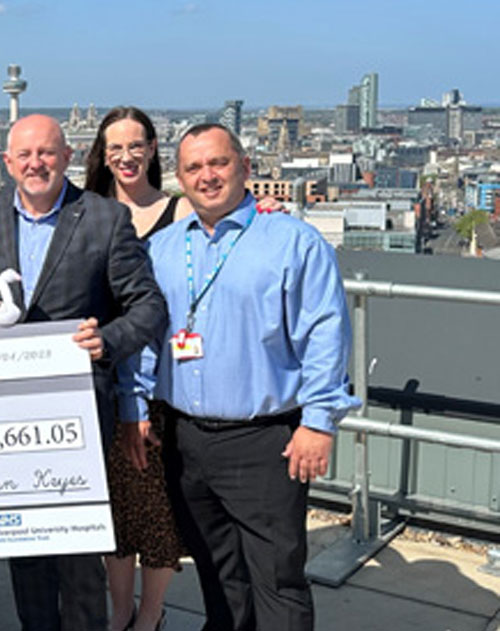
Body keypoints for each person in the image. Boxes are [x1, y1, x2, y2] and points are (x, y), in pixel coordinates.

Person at [121, 123, 359, 631]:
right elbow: (145, 339)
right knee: (216, 570)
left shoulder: (293, 241)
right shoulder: (162, 249)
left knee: (277, 578)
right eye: (193, 168)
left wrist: (318, 422)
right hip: (184, 437)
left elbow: (325, 334)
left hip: (266, 440)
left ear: (245, 168)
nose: (207, 176)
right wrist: (135, 407)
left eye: (218, 163)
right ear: (179, 179)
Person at [0, 114, 167, 631]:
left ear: (68, 157)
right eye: (24, 155)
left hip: (77, 410)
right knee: (22, 540)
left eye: (47, 153)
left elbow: (148, 307)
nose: (36, 164)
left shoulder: (102, 218)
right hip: (5, 412)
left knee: (76, 550)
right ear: (7, 162)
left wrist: (106, 342)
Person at [82, 106, 188, 631]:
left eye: (136, 144)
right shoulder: (88, 213)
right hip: (104, 383)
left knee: (159, 508)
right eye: (114, 147)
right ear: (102, 154)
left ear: (152, 149)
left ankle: (151, 614)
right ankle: (120, 612)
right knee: (118, 507)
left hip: (167, 385)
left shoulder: (183, 211)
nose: (126, 156)